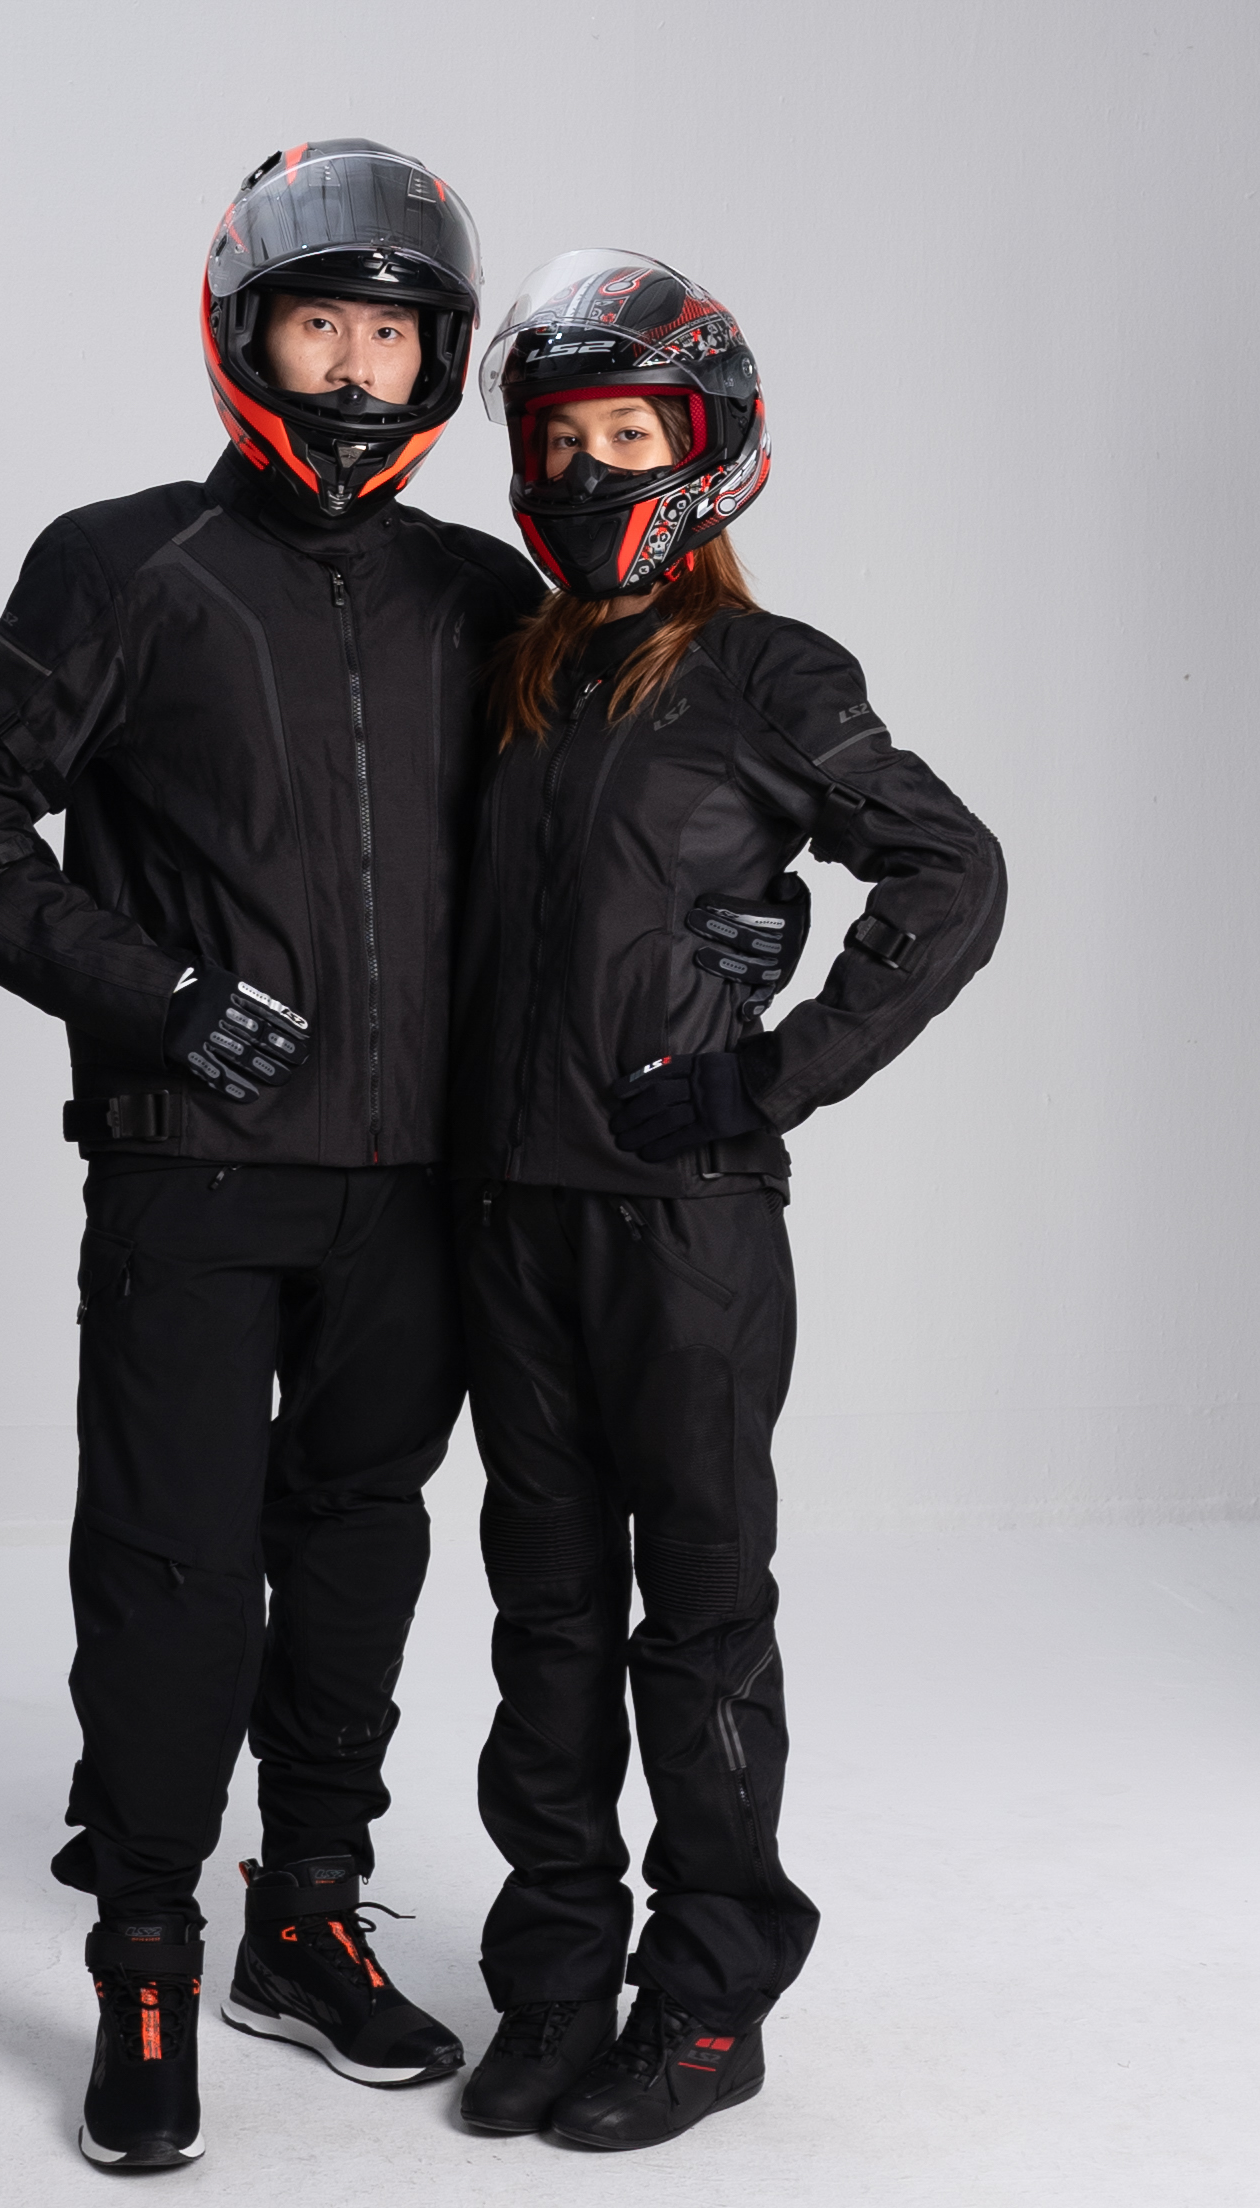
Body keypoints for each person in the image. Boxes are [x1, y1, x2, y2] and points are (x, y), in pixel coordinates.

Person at [0, 141, 542, 2171]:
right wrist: (153, 995)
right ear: (242, 332)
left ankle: (305, 1916)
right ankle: (148, 1955)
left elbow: (606, 824)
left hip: (421, 1183)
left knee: (358, 1541)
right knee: (174, 1560)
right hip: (193, 1162)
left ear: (437, 359)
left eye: (390, 335)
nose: (352, 369)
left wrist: (744, 910)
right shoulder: (124, 564)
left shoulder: (484, 595)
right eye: (317, 324)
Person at [450, 250, 1006, 2151]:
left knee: (695, 1613)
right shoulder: (514, 670)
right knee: (543, 1616)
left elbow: (949, 873)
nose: (591, 471)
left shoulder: (771, 673)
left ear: (704, 448)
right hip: (506, 1217)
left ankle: (705, 2005)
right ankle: (550, 1979)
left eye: (629, 435)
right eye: (562, 441)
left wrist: (766, 1073)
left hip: (680, 1224)